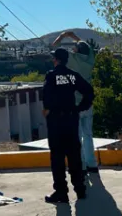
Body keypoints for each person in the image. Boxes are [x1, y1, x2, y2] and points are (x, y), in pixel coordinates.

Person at [42, 48, 94, 204]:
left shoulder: (51, 76)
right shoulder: (73, 76)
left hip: (57, 122)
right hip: (71, 120)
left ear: (56, 60)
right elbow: (89, 91)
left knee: (57, 158)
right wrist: (80, 108)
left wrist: (48, 111)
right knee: (74, 155)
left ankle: (61, 193)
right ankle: (80, 189)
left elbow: (46, 98)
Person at [52, 30, 98, 173]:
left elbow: (55, 46)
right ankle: (92, 164)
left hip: (75, 103)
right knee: (88, 135)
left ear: (77, 50)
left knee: (76, 137)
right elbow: (86, 47)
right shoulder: (90, 59)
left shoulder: (72, 58)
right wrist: (73, 37)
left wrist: (63, 36)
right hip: (87, 103)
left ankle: (81, 165)